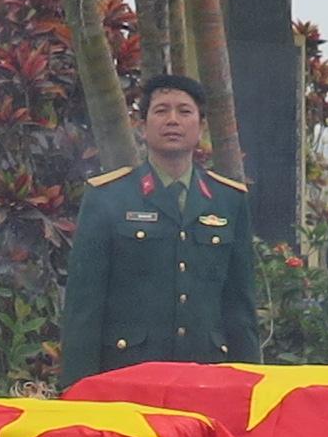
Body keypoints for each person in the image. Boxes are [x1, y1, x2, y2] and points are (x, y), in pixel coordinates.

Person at [61, 71, 259, 380]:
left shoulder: (228, 200)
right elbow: (83, 309)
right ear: (142, 127)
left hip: (206, 376)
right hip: (128, 376)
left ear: (201, 126)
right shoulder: (108, 196)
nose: (172, 120)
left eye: (184, 111)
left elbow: (240, 307)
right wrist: (76, 390)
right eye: (161, 110)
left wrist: (250, 386)